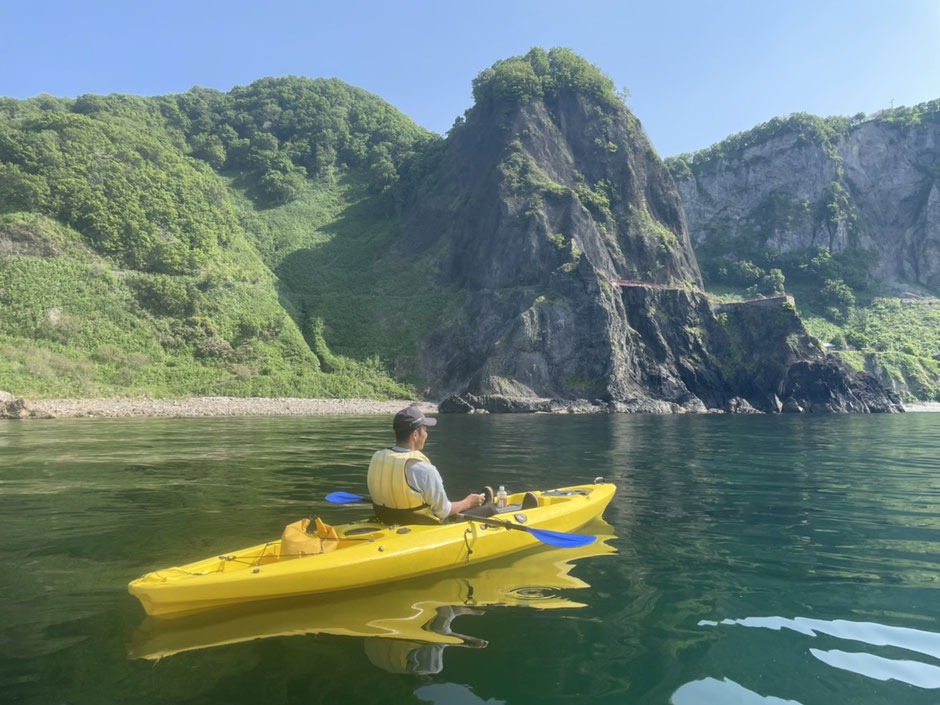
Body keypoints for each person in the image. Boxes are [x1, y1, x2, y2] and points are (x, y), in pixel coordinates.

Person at [367, 405, 488, 524]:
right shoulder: (423, 469)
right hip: (420, 527)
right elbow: (443, 511)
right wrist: (467, 502)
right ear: (415, 435)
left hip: (386, 520)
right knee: (491, 509)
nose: (426, 435)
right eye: (425, 430)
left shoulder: (377, 458)